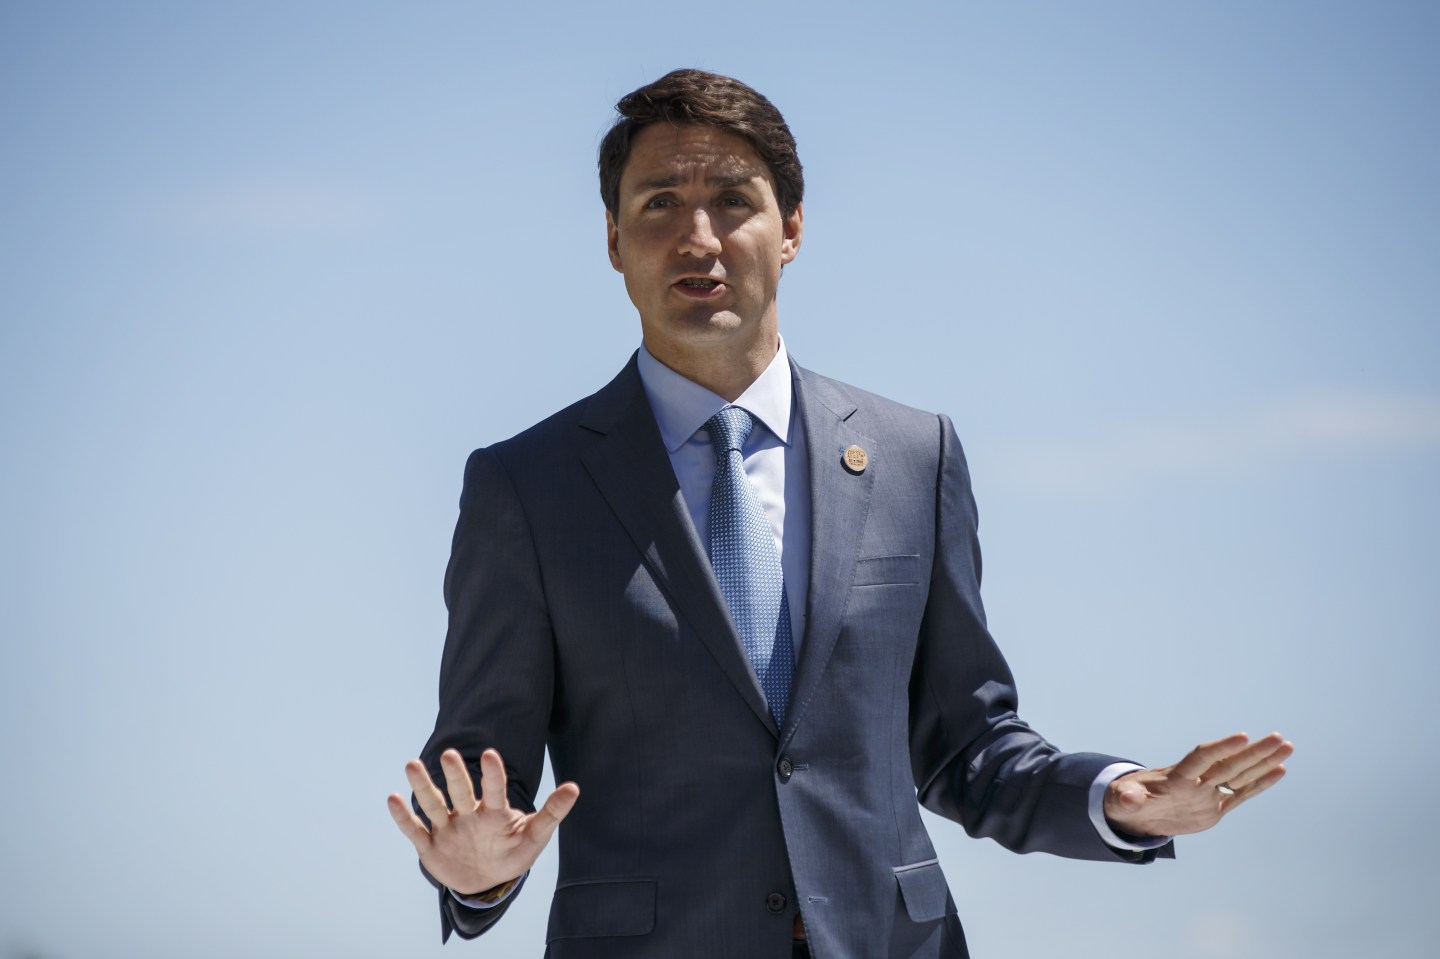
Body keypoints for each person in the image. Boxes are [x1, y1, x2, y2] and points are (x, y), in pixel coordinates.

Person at [386, 69, 1292, 959]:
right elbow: (480, 781)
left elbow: (966, 744)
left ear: (792, 230)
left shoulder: (914, 455)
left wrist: (1116, 797)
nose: (699, 236)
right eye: (659, 203)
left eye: (733, 200)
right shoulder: (527, 485)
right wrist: (474, 869)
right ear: (615, 241)